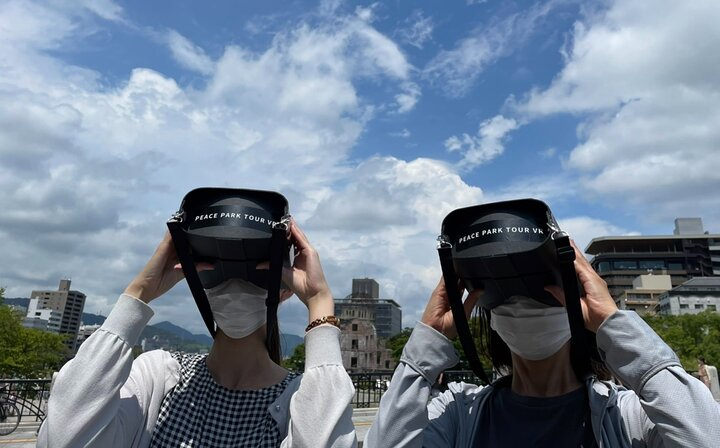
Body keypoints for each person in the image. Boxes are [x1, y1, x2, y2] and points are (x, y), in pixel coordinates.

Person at [365, 240, 720, 447]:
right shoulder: (459, 412)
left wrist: (612, 322)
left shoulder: (629, 415)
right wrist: (427, 342)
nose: (523, 302)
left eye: (542, 291)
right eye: (504, 293)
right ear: (489, 313)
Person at [38, 220, 356, 447]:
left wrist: (318, 301)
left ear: (284, 289)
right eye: (216, 271)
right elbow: (65, 438)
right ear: (196, 282)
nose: (233, 285)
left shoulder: (300, 399)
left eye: (254, 272)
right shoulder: (158, 377)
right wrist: (138, 294)